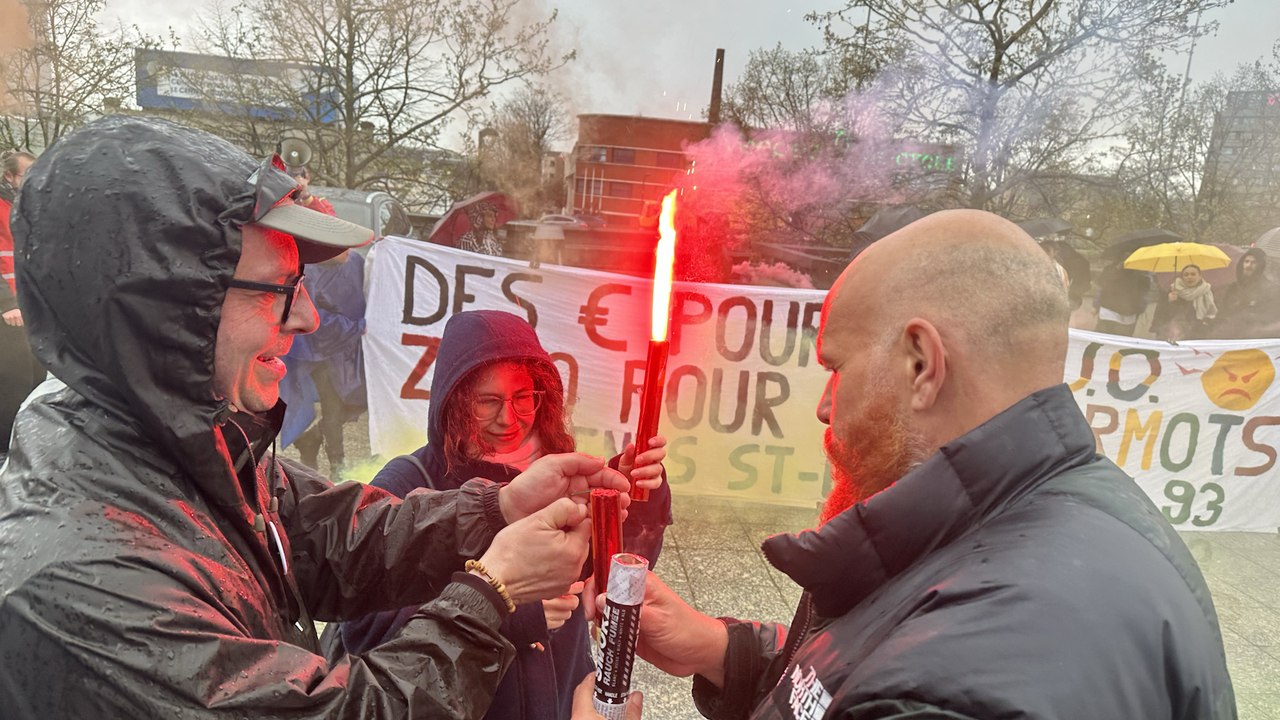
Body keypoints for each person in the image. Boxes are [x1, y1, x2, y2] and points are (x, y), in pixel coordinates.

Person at [0, 116, 635, 719]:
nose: (308, 317)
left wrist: (493, 510)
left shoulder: (181, 444)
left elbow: (331, 539)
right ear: (163, 306)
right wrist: (492, 594)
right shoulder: (88, 584)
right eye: (279, 286)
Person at [587, 209, 1235, 719]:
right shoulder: (1060, 506)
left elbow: (907, 681)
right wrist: (718, 649)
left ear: (922, 365)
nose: (821, 408)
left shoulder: (962, 683)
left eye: (836, 369)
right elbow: (859, 675)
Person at [336, 309, 673, 720]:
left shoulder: (555, 465)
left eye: (523, 397)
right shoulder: (409, 482)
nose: (509, 418)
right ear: (455, 401)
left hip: (562, 696)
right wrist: (504, 611)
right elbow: (364, 627)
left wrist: (628, 500)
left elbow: (605, 579)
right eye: (487, 401)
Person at [279, 246, 368, 479]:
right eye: (341, 245)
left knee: (359, 399)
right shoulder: (310, 272)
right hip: (319, 351)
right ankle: (337, 466)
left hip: (347, 349)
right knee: (333, 405)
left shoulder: (355, 262)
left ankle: (312, 439)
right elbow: (316, 320)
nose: (348, 250)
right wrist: (353, 328)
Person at [0, 149, 42, 458]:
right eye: (25, 173)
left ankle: (26, 440)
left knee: (35, 377)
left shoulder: (25, 207)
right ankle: (6, 448)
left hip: (31, 307)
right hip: (10, 311)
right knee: (13, 380)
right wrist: (6, 302)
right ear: (9, 177)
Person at [1212, 247, 1280, 339]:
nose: (1248, 265)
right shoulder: (1232, 289)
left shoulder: (1269, 289)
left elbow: (1271, 316)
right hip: (1231, 334)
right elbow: (1223, 312)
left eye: (1253, 263)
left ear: (1260, 266)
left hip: (1256, 337)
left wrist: (1249, 314)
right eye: (1246, 261)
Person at [1151, 263, 1217, 341]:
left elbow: (1215, 314)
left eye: (1193, 274)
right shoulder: (1173, 291)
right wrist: (1170, 302)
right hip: (1175, 335)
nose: (1189, 277)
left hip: (1199, 336)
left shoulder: (1207, 293)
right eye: (1186, 275)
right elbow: (1161, 315)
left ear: (1200, 277)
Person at [1092, 256, 1152, 336]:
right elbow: (1102, 285)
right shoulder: (1112, 269)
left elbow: (1143, 292)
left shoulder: (1141, 273)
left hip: (1127, 316)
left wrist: (1140, 308)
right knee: (1101, 340)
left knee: (1120, 342)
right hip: (1108, 313)